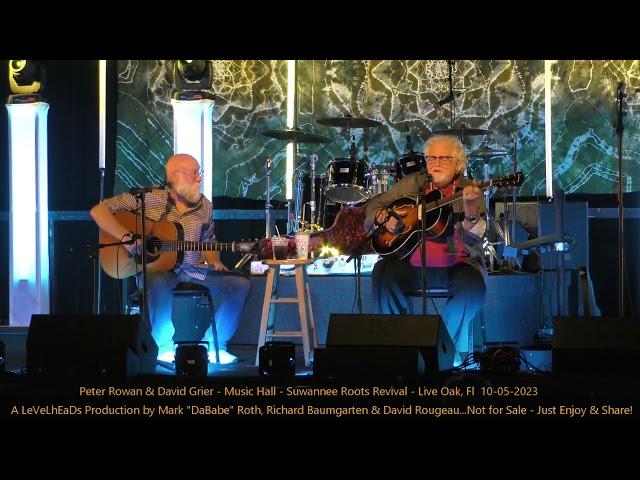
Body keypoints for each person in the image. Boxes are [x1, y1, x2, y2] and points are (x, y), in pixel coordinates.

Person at [90, 153, 251, 364]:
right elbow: (98, 210)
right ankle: (163, 347)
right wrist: (126, 237)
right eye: (195, 173)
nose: (199, 179)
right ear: (176, 176)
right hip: (158, 271)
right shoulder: (149, 198)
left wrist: (214, 258)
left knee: (240, 285)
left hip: (195, 271)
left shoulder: (205, 206)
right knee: (158, 281)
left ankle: (215, 345)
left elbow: (209, 240)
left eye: (199, 173)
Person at [364, 135, 487, 364]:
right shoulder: (412, 184)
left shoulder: (469, 191)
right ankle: (397, 350)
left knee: (472, 288)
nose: (436, 163)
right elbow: (374, 206)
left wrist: (470, 211)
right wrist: (383, 217)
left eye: (444, 158)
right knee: (383, 272)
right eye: (431, 158)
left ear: (458, 163)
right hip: (412, 264)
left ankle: (443, 352)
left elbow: (472, 237)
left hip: (455, 266)